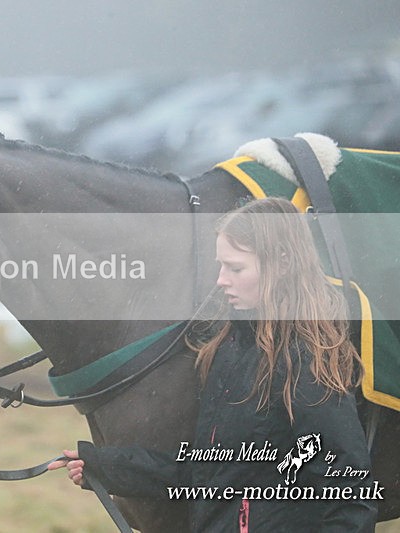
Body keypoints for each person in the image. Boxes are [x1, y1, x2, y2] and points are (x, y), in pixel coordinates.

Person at [48, 197, 377, 532]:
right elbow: (208, 473)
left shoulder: (306, 361)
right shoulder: (228, 349)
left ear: (282, 265)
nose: (221, 280)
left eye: (235, 268)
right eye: (221, 266)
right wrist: (106, 466)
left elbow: (350, 499)